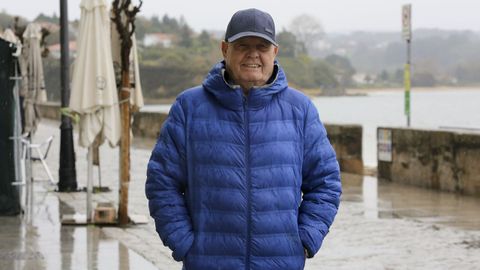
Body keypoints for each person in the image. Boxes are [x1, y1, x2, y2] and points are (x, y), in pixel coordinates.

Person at [146, 8, 341, 270]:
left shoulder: (300, 110)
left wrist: (306, 238)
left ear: (275, 51)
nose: (253, 54)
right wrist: (183, 242)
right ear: (225, 49)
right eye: (242, 46)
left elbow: (326, 182)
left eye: (262, 46)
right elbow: (162, 182)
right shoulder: (189, 107)